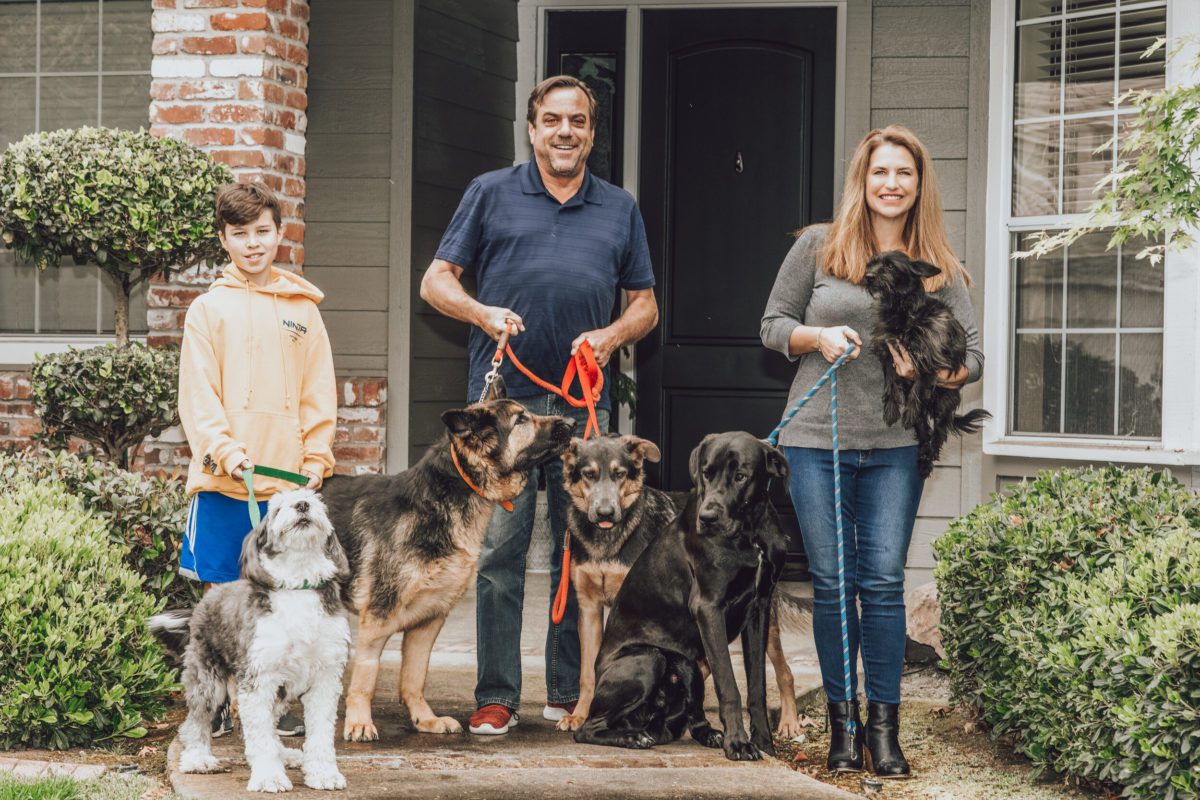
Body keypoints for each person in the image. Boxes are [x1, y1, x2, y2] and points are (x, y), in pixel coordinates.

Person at [419, 75, 659, 735]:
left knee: (578, 548)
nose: (564, 132)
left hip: (581, 407)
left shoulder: (618, 207)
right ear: (532, 130)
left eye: (577, 122)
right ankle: (496, 694)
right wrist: (482, 312)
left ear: (590, 131)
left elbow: (645, 305)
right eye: (552, 120)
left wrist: (610, 337)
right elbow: (435, 282)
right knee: (499, 546)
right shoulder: (490, 193)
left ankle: (564, 691)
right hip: (505, 411)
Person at [760, 126, 982, 777]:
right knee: (832, 586)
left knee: (881, 586)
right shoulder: (818, 248)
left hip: (894, 449)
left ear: (918, 186)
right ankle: (842, 727)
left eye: (904, 174)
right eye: (881, 171)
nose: (892, 183)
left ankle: (883, 735)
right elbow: (772, 324)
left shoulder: (938, 263)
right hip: (814, 443)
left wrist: (938, 373)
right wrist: (815, 336)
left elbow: (973, 355)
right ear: (864, 179)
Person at [178, 182, 338, 738]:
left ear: (280, 233)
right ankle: (219, 702)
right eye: (240, 234)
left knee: (291, 592)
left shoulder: (303, 310)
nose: (253, 244)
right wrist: (226, 450)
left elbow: (320, 390)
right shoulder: (207, 310)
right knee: (224, 593)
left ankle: (275, 698)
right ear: (223, 239)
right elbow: (199, 395)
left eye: (262, 232)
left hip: (286, 487)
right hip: (227, 481)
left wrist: (316, 456)